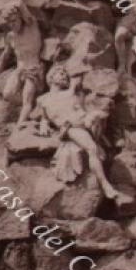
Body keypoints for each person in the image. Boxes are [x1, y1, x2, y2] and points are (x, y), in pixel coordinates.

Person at [35, 65, 118, 200]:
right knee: (91, 148)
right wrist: (43, 125)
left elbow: (80, 73)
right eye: (60, 73)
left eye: (65, 74)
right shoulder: (42, 100)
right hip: (72, 127)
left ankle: (110, 135)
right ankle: (105, 185)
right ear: (50, 78)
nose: (64, 76)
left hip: (85, 122)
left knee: (99, 113)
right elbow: (44, 117)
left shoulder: (71, 92)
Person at [0, 0, 45, 127]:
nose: (12, 25)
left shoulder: (31, 26)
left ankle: (20, 123)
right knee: (7, 94)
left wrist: (5, 7)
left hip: (33, 68)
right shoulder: (11, 36)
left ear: (20, 17)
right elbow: (5, 55)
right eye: (9, 23)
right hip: (19, 70)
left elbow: (20, 2)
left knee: (27, 97)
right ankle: (31, 106)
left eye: (14, 20)